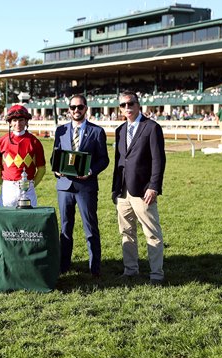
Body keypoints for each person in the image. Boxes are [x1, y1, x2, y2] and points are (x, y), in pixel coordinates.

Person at [112, 91, 166, 284]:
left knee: (151, 232)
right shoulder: (120, 130)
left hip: (143, 191)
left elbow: (158, 160)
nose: (127, 108)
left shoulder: (151, 128)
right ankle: (130, 270)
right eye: (123, 105)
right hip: (123, 191)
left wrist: (154, 186)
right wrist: (115, 190)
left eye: (130, 103)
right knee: (126, 232)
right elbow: (119, 162)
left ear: (138, 104)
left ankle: (157, 274)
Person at [53, 94, 109, 277]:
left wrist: (91, 171)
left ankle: (95, 268)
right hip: (65, 186)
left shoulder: (97, 131)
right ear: (68, 110)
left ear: (86, 109)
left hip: (86, 187)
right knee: (65, 229)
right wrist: (56, 170)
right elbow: (55, 157)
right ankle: (63, 266)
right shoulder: (60, 131)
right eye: (73, 107)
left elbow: (104, 159)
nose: (76, 110)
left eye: (80, 107)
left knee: (90, 228)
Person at [0, 104, 46, 207]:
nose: (18, 123)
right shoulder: (1, 142)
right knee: (7, 221)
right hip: (8, 189)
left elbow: (42, 169)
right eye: (14, 120)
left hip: (28, 188)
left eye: (21, 120)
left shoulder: (35, 142)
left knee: (28, 222)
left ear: (26, 121)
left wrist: (31, 185)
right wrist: (5, 184)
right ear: (9, 122)